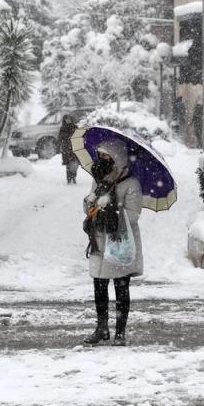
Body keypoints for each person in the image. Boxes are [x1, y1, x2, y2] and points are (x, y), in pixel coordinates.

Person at [81, 139, 143, 346]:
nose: (101, 159)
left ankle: (120, 332)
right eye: (100, 155)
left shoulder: (130, 183)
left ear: (117, 157)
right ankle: (101, 328)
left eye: (106, 155)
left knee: (121, 286)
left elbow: (133, 215)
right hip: (99, 239)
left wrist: (110, 207)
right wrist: (90, 201)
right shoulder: (98, 179)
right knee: (99, 285)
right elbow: (89, 210)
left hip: (119, 242)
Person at [58, 113, 78, 185]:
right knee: (68, 165)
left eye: (68, 119)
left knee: (74, 164)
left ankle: (74, 177)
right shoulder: (62, 128)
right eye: (66, 119)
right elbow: (60, 138)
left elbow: (79, 137)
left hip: (74, 148)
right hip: (66, 149)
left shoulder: (75, 127)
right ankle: (69, 179)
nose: (67, 120)